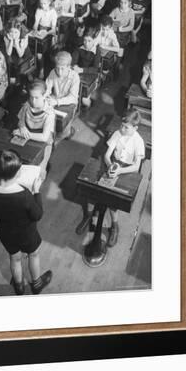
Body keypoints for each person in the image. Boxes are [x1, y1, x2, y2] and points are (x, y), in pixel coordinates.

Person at [0, 150, 52, 295]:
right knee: (33, 255)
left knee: (15, 257)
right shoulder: (24, 194)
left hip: (6, 234)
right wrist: (36, 192)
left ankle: (19, 286)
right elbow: (37, 215)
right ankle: (36, 284)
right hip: (27, 234)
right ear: (18, 172)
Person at [76, 109, 145, 247]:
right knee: (92, 191)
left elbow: (136, 167)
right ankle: (88, 216)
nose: (122, 129)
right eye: (122, 125)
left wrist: (119, 171)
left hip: (127, 170)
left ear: (135, 128)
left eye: (126, 127)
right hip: (112, 164)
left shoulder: (138, 141)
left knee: (114, 202)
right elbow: (107, 155)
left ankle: (114, 226)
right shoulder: (117, 133)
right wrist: (110, 166)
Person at [14, 79, 56, 178]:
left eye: (37, 98)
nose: (33, 101)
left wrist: (23, 134)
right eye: (31, 97)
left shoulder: (49, 113)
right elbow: (20, 120)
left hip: (43, 143)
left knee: (40, 173)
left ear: (44, 95)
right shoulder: (27, 105)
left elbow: (44, 138)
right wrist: (22, 126)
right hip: (28, 137)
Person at [45, 51, 80, 138]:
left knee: (63, 134)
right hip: (54, 99)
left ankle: (69, 131)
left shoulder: (75, 76)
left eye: (62, 69)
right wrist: (44, 95)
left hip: (69, 104)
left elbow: (72, 98)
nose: (59, 72)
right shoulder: (53, 72)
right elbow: (47, 88)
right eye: (57, 68)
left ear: (69, 67)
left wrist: (56, 101)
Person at [32, 0, 58, 78]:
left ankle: (45, 69)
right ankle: (40, 69)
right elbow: (36, 23)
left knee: (45, 52)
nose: (43, 5)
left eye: (45, 3)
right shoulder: (39, 10)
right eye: (41, 3)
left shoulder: (53, 12)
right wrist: (35, 29)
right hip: (41, 30)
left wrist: (46, 32)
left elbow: (53, 29)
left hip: (49, 32)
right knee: (38, 52)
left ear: (49, 2)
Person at [72, 31, 101, 107]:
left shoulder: (97, 50)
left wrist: (82, 70)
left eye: (89, 41)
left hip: (91, 75)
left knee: (84, 100)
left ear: (94, 40)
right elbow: (73, 61)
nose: (86, 43)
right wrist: (74, 66)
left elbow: (95, 69)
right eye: (84, 40)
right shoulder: (79, 47)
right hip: (78, 73)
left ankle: (88, 110)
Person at [3, 18, 33, 85]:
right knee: (11, 64)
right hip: (13, 52)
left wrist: (16, 42)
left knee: (21, 67)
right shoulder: (6, 36)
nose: (13, 34)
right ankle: (13, 81)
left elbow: (20, 55)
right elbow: (8, 53)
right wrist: (11, 41)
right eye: (11, 32)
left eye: (16, 32)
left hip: (24, 53)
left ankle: (27, 74)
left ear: (20, 32)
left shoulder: (24, 37)